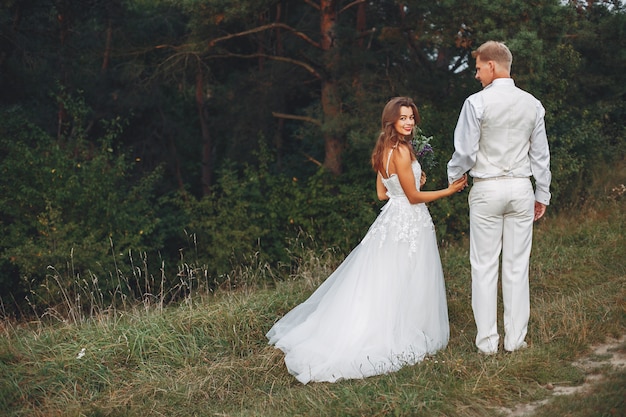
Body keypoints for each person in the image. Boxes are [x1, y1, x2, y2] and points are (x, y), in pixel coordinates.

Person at [266, 97, 468, 384]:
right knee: (408, 276)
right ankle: (402, 329)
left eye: (411, 117)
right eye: (404, 118)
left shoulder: (385, 148)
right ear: (392, 121)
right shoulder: (400, 150)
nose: (409, 122)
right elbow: (412, 198)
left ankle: (395, 323)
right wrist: (447, 191)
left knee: (390, 277)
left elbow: (382, 194)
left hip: (391, 220)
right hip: (408, 221)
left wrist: (411, 181)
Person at [446, 41, 551, 355]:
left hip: (488, 188)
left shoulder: (476, 103)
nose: (476, 75)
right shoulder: (532, 104)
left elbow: (464, 151)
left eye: (478, 68)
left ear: (492, 65)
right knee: (517, 266)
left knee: (484, 266)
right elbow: (541, 155)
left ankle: (488, 343)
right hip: (521, 188)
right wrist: (541, 192)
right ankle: (516, 340)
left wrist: (454, 177)